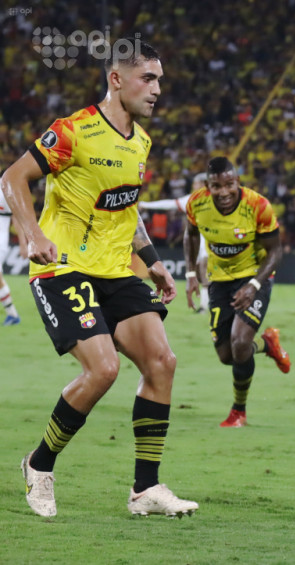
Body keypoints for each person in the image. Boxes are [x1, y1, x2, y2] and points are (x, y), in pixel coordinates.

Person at [0, 40, 198, 518]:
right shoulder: (74, 130)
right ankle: (39, 464)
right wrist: (31, 235)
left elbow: (126, 210)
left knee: (162, 362)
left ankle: (145, 490)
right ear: (116, 79)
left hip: (115, 268)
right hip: (62, 267)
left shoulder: (141, 141)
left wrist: (149, 259)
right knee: (104, 369)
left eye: (160, 81)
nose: (156, 90)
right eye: (147, 79)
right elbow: (11, 177)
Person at [184, 157, 291, 428]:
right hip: (219, 280)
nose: (223, 192)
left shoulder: (258, 206)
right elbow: (190, 234)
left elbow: (276, 251)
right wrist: (190, 274)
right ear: (207, 186)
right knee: (226, 356)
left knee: (240, 343)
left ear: (238, 182)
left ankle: (238, 412)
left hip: (255, 277)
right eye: (215, 186)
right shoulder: (196, 203)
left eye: (229, 184)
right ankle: (268, 344)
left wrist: (254, 285)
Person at [139, 172, 211, 311]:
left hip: (210, 241)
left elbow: (170, 204)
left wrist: (144, 204)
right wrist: (145, 204)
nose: (193, 186)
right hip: (198, 241)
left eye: (196, 183)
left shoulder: (210, 199)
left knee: (203, 272)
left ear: (202, 184)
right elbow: (170, 204)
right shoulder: (193, 199)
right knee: (201, 274)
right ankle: (205, 304)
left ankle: (205, 305)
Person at [0, 188, 26, 325]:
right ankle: (12, 315)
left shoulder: (5, 187)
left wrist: (23, 244)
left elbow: (16, 217)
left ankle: (12, 315)